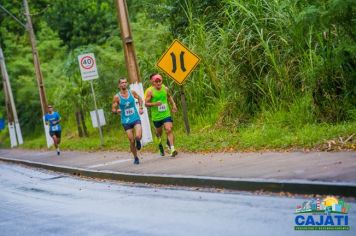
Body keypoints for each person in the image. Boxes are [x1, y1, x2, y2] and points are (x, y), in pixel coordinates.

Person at [112, 77, 144, 165]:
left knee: (138, 136)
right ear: (119, 85)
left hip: (135, 118)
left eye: (125, 82)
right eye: (122, 83)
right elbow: (113, 109)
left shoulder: (132, 92)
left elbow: (140, 99)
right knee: (131, 140)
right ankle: (136, 157)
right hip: (126, 121)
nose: (124, 84)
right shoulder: (117, 97)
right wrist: (116, 111)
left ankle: (138, 140)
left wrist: (141, 108)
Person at [145, 73, 178, 157]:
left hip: (166, 114)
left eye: (160, 81)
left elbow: (169, 97)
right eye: (156, 82)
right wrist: (155, 103)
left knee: (169, 129)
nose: (159, 83)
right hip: (156, 117)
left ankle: (172, 148)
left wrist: (173, 105)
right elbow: (146, 104)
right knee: (159, 133)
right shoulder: (150, 91)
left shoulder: (165, 88)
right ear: (153, 83)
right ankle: (160, 146)